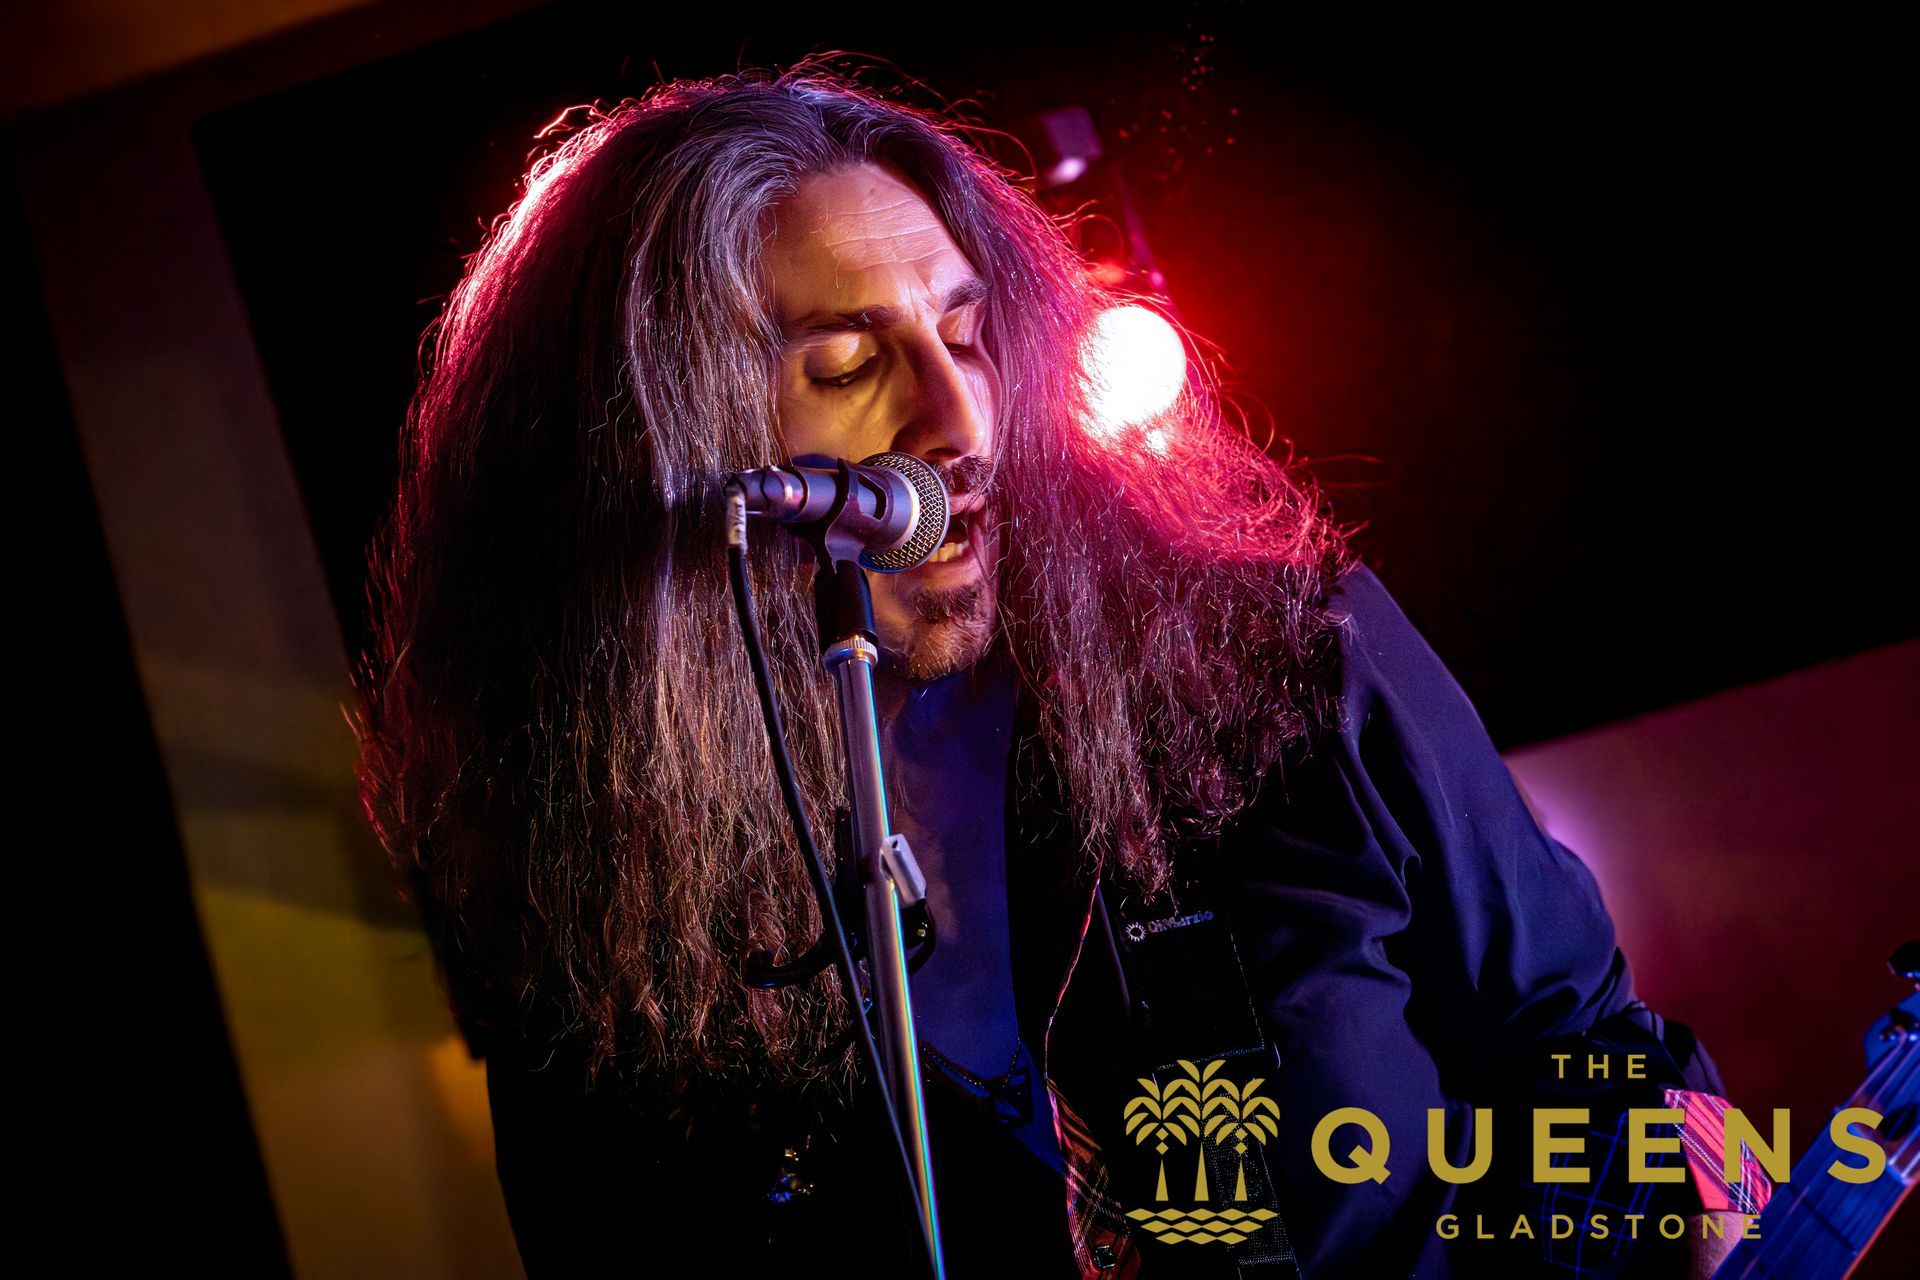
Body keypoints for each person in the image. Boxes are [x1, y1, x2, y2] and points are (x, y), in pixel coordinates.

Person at [353, 68, 1767, 1278]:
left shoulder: (1280, 658)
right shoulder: (591, 921)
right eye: (845, 365)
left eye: (969, 334)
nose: (958, 415)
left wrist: (1708, 1207)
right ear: (656, 452)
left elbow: (1595, 1054)